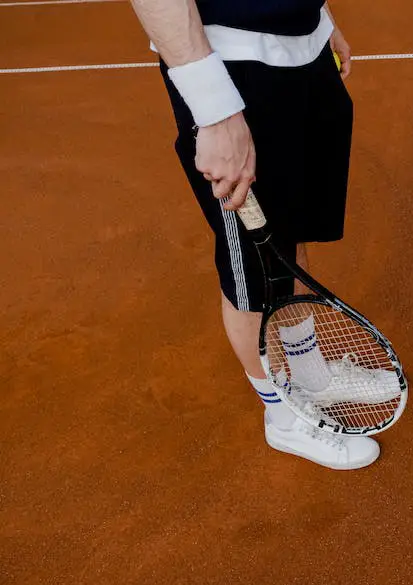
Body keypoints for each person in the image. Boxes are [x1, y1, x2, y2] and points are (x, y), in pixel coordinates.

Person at [130, 0, 381, 470]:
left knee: (290, 233)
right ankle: (283, 418)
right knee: (250, 265)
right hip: (230, 69)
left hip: (300, 52)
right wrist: (212, 107)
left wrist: (318, 20)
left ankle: (311, 379)